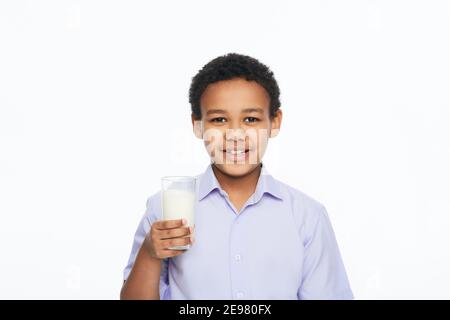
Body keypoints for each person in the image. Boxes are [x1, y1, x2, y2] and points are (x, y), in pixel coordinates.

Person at [120, 53, 353, 300]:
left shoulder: (307, 216)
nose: (235, 134)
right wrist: (149, 253)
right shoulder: (165, 208)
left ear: (274, 122)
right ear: (197, 125)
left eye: (250, 119)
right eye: (219, 119)